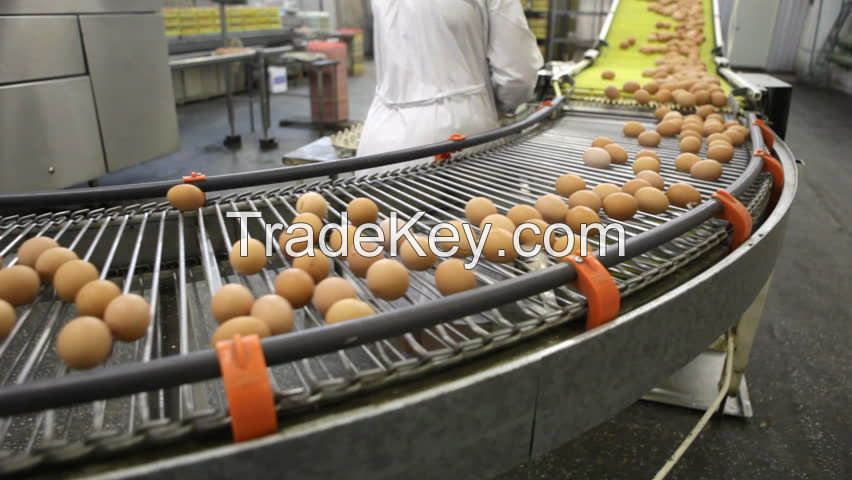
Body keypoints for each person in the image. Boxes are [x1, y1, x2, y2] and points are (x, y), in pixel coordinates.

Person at [356, 0, 543, 157]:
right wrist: (494, 106)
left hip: (379, 137)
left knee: (381, 201)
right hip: (457, 134)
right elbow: (517, 76)